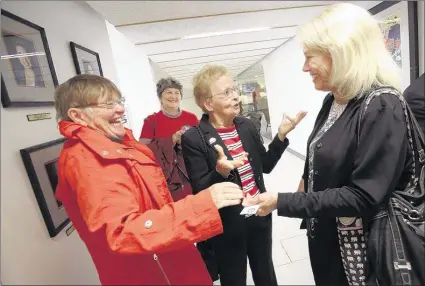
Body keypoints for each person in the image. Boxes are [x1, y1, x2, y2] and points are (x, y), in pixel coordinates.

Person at [242, 3, 421, 286]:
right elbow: (321, 158)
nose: (304, 67)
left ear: (341, 53)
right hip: (328, 237)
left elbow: (364, 195)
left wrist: (283, 201)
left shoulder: (382, 105)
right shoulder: (334, 100)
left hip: (362, 253)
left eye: (309, 57)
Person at [54, 74, 244, 285]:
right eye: (109, 104)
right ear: (78, 116)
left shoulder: (118, 144)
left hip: (170, 252)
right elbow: (122, 231)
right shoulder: (86, 160)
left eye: (119, 101)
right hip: (157, 271)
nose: (120, 109)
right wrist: (203, 204)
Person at [181, 64, 306, 286]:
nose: (236, 97)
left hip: (259, 211)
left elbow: (265, 165)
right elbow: (200, 188)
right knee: (233, 277)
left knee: (265, 273)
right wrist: (221, 171)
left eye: (234, 90)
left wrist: (280, 137)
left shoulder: (246, 125)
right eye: (226, 93)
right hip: (227, 223)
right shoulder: (194, 138)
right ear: (208, 103)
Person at [139, 77, 199, 201]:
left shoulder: (191, 117)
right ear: (160, 97)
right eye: (168, 92)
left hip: (193, 172)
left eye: (177, 93)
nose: (173, 96)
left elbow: (201, 142)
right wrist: (170, 140)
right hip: (169, 180)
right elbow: (141, 150)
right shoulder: (151, 121)